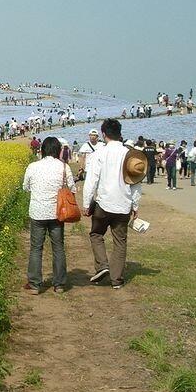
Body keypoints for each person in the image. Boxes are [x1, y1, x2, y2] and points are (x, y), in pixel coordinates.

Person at [82, 118, 143, 289]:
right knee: (120, 242)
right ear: (119, 134)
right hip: (123, 204)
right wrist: (135, 206)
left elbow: (91, 181)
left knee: (96, 234)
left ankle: (102, 266)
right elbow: (136, 183)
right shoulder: (130, 155)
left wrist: (86, 204)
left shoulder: (98, 154)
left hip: (103, 203)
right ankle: (117, 280)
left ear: (103, 134)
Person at [22, 136, 76, 294]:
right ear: (59, 151)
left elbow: (26, 187)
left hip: (37, 212)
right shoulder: (64, 167)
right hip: (57, 213)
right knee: (58, 247)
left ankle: (34, 284)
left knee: (36, 248)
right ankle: (59, 284)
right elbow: (72, 188)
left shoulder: (32, 166)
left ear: (42, 150)